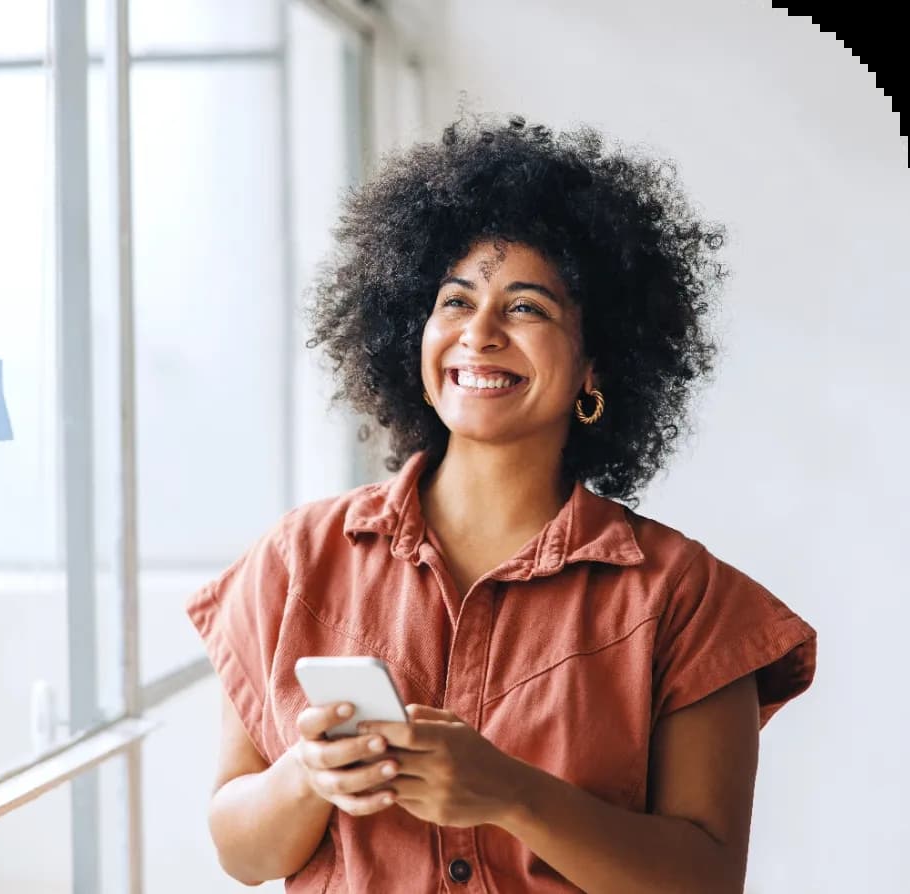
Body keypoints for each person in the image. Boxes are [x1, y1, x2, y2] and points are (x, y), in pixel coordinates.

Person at [184, 114, 817, 893]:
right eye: (455, 302)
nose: (478, 334)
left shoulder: (684, 598)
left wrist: (514, 795)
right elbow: (243, 856)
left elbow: (706, 882)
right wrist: (307, 776)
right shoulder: (298, 558)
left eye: (526, 308)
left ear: (595, 365)